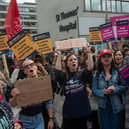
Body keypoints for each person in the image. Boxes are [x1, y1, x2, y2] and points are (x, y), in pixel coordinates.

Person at [11, 59, 54, 129]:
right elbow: (12, 104)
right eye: (26, 67)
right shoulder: (20, 84)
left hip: (39, 119)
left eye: (31, 65)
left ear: (36, 67)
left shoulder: (43, 82)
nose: (29, 67)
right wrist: (15, 96)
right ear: (24, 71)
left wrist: (51, 119)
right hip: (24, 119)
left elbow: (49, 102)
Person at [54, 54, 91, 129]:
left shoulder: (82, 74)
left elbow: (90, 67)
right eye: (70, 60)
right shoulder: (64, 76)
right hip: (68, 114)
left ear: (77, 62)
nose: (73, 61)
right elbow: (57, 70)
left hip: (83, 112)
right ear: (67, 64)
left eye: (75, 59)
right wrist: (59, 55)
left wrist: (89, 53)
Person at [92, 49, 127, 129]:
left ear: (112, 58)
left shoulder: (119, 72)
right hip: (103, 108)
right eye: (104, 56)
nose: (106, 58)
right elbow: (94, 90)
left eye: (108, 56)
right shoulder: (96, 74)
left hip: (117, 107)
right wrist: (103, 92)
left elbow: (124, 86)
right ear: (100, 59)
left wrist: (115, 89)